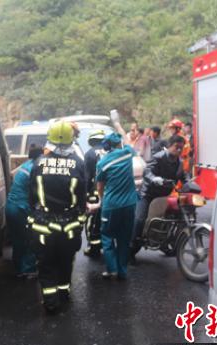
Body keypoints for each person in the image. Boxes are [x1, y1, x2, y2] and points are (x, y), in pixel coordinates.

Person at [28, 120, 86, 313]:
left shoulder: (38, 163)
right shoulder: (78, 163)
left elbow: (32, 195)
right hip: (68, 225)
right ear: (71, 140)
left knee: (46, 264)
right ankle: (64, 294)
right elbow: (81, 197)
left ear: (50, 140)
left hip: (43, 225)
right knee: (65, 261)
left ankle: (51, 303)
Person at [131, 135, 189, 261]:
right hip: (148, 195)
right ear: (169, 146)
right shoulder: (159, 157)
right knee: (140, 219)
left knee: (176, 216)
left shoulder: (179, 162)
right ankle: (130, 250)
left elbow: (183, 177)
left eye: (181, 148)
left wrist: (190, 184)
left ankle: (166, 243)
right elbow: (148, 171)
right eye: (176, 147)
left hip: (163, 196)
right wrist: (155, 179)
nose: (179, 150)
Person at [93, 132, 138, 279]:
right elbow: (129, 142)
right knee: (124, 238)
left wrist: (101, 200)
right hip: (130, 204)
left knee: (107, 236)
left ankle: (112, 269)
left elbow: (100, 186)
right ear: (119, 143)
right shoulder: (127, 153)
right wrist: (118, 126)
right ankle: (122, 271)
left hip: (111, 205)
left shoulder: (102, 163)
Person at [6, 145, 43, 279]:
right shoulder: (34, 168)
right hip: (21, 208)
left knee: (18, 240)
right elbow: (38, 192)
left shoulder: (26, 164)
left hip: (11, 207)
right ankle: (29, 269)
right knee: (30, 238)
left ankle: (19, 268)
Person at [83, 129, 106, 257]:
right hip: (109, 192)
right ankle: (105, 245)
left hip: (95, 192)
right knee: (105, 219)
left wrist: (84, 195)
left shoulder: (90, 154)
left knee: (92, 220)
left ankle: (94, 247)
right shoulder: (110, 152)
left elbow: (87, 177)